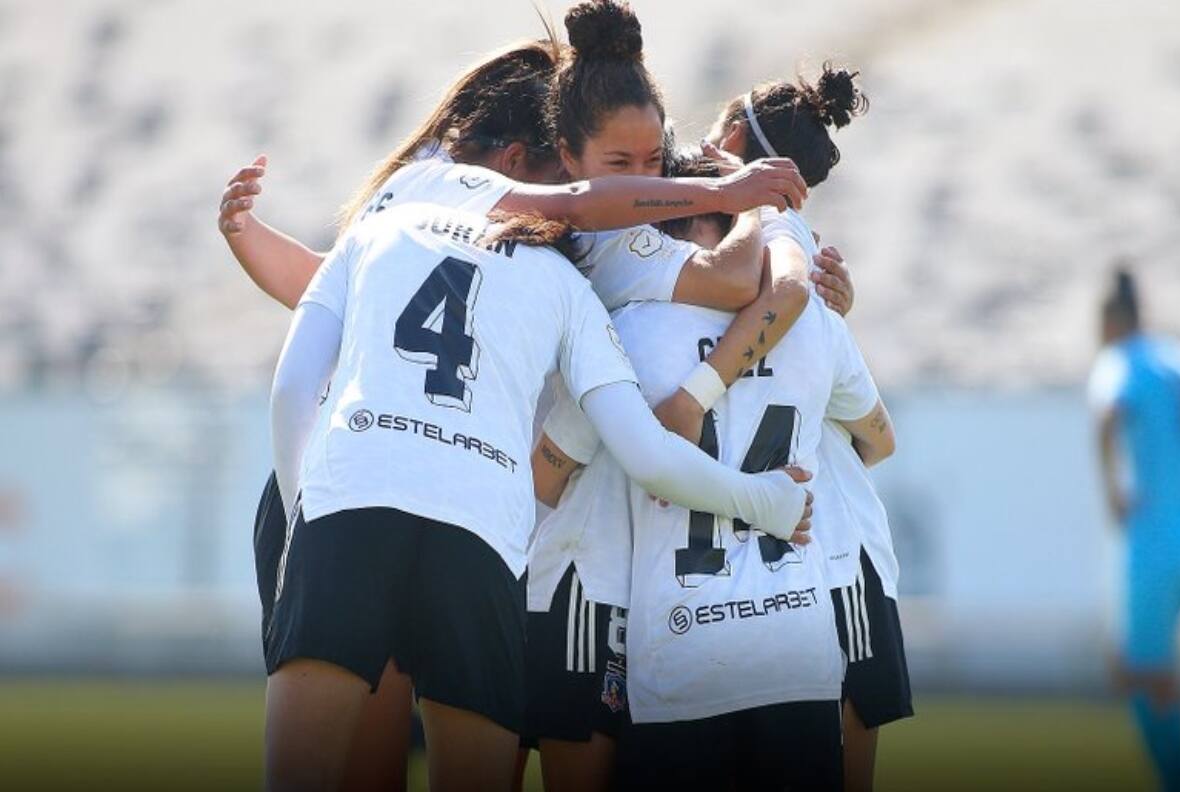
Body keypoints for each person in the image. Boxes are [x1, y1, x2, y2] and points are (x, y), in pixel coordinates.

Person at [220, 24, 807, 791]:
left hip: (395, 504)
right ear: (549, 158)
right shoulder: (463, 200)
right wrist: (742, 201)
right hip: (421, 503)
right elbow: (339, 300)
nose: (632, 184)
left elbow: (732, 282)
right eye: (614, 165)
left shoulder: (582, 246)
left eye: (650, 162)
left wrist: (784, 236)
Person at [701, 65, 915, 790]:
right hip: (772, 567)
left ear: (731, 141)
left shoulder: (791, 280)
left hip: (833, 554)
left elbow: (879, 440)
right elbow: (877, 438)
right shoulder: (786, 272)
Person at [1089, 268, 1180, 792]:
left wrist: (1112, 488)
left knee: (1137, 668)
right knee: (1155, 669)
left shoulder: (1120, 361)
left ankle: (1175, 780)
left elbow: (1110, 413)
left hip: (1154, 537)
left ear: (1111, 321)